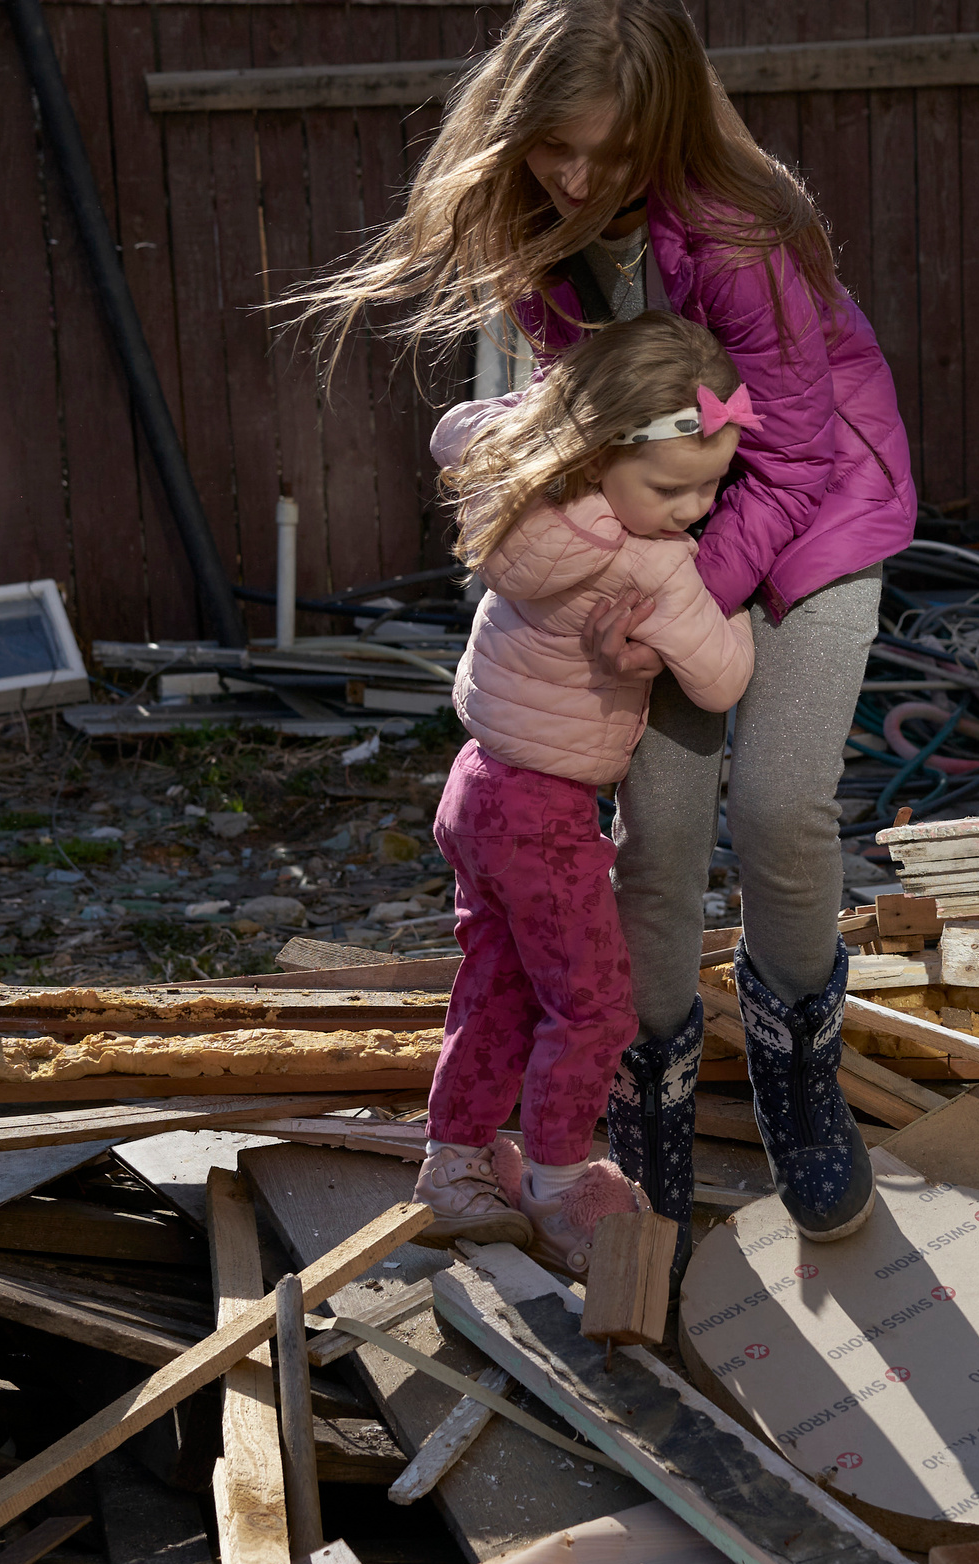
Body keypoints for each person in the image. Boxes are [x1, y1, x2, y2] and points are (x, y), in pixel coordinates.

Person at [293, 0, 915, 1268]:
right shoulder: (543, 229)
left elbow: (789, 459)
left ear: (667, 128)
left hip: (816, 504)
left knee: (782, 807)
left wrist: (664, 597)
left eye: (609, 154)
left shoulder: (740, 235)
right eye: (552, 146)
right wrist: (576, 535)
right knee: (662, 828)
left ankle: (799, 1059)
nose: (577, 178)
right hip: (663, 528)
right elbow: (568, 413)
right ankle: (648, 1087)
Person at [409, 313, 756, 1278]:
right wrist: (718, 629)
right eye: (672, 485)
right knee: (597, 1004)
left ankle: (455, 1162)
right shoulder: (645, 560)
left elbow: (451, 425)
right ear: (605, 453)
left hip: (477, 786)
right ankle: (561, 1186)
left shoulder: (520, 481)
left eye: (711, 485)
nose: (692, 507)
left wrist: (546, 416)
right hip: (548, 811)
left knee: (500, 984)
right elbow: (723, 677)